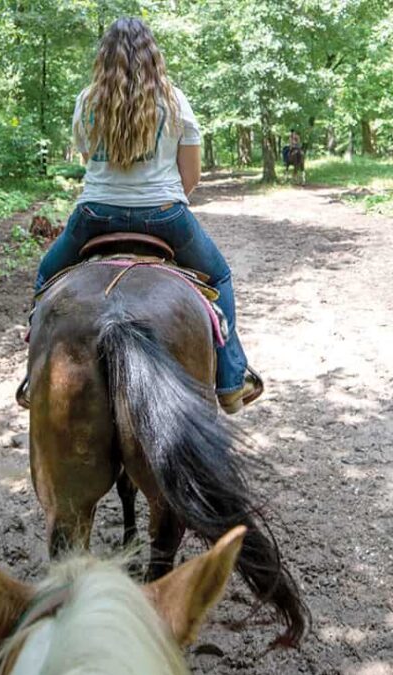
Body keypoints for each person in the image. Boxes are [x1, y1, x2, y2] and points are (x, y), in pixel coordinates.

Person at [22, 17, 262, 414]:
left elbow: (89, 161)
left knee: (47, 274)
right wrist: (158, 203)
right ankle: (231, 381)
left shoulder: (87, 101)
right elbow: (191, 176)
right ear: (153, 55)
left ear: (104, 57)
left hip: (95, 215)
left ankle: (36, 378)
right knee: (219, 276)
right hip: (164, 216)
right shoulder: (174, 101)